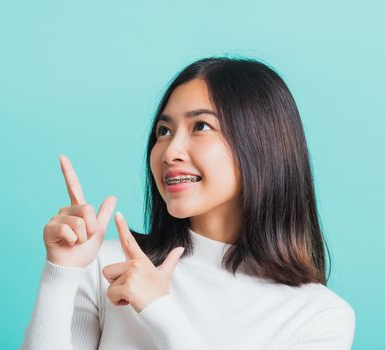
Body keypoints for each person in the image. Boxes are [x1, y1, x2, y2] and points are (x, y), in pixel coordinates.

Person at [20, 57, 356, 349]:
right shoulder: (108, 266)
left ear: (261, 144)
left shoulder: (320, 316)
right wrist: (61, 272)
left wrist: (159, 310)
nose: (169, 152)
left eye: (201, 126)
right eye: (164, 131)